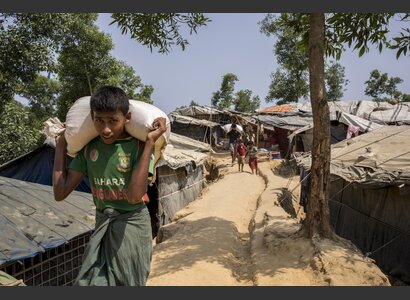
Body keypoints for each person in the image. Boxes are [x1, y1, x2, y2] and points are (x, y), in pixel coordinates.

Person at [53, 86, 167, 286]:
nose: (106, 129)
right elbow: (60, 192)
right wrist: (61, 144)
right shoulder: (89, 148)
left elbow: (134, 197)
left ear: (127, 118)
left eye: (113, 121)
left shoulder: (139, 147)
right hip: (102, 223)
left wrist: (150, 143)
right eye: (99, 120)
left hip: (131, 226)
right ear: (91, 116)